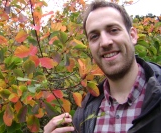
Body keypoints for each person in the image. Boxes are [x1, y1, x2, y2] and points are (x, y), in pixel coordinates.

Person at [44, 0, 161, 133]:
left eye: (113, 30)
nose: (105, 42)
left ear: (133, 36)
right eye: (94, 36)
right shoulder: (83, 115)